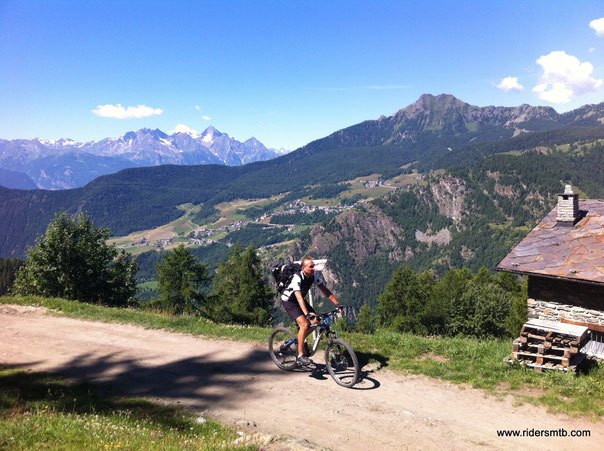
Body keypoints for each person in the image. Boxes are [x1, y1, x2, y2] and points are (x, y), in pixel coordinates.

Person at [281, 256, 342, 365]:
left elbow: (325, 290)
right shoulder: (297, 278)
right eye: (311, 267)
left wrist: (337, 303)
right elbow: (299, 298)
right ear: (303, 268)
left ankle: (301, 339)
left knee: (316, 322)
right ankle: (300, 355)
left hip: (300, 301)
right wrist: (307, 314)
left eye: (314, 266)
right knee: (304, 325)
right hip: (289, 301)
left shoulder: (313, 276)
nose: (313, 268)